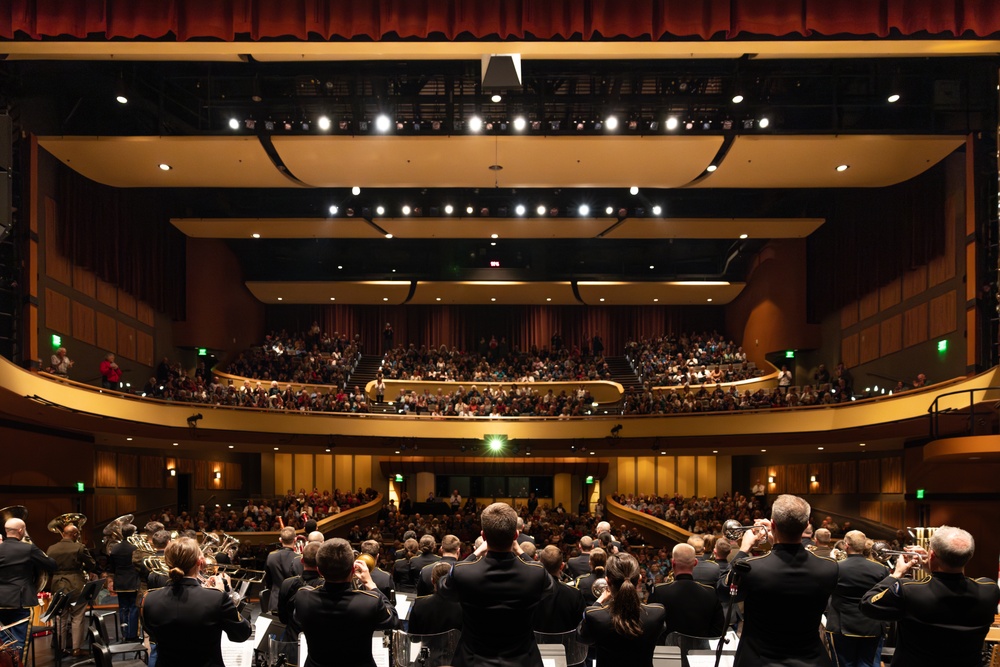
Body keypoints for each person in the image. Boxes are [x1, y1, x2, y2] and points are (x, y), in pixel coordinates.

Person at [717, 493, 838, 667]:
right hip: (810, 660)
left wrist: (744, 549)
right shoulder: (829, 568)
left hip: (759, 661)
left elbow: (723, 592)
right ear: (805, 526)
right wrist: (779, 537)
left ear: (772, 525)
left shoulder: (751, 568)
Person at [861, 525, 1000, 666]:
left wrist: (896, 575)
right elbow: (950, 584)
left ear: (931, 555)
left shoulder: (908, 590)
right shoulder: (989, 589)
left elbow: (867, 604)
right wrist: (934, 566)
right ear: (969, 555)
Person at [439, 502, 553, 667]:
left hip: (473, 661)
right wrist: (520, 551)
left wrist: (474, 554)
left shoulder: (463, 572)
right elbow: (551, 586)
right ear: (516, 535)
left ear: (483, 536)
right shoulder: (536, 573)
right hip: (523, 661)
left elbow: (443, 589)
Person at [140, 537, 252, 667]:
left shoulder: (149, 598)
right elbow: (241, 634)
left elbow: (152, 634)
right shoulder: (216, 598)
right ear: (200, 561)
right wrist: (229, 594)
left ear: (166, 562)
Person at [295, 538, 398, 667]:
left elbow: (298, 618)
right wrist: (371, 585)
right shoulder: (371, 601)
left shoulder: (302, 596)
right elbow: (393, 619)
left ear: (320, 571)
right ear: (353, 570)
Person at [577, 552, 666, 667]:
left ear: (607, 581)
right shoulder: (657, 613)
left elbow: (581, 637)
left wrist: (599, 601)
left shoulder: (595, 616)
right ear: (639, 579)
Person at [824, 530, 890, 667]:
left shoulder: (836, 567)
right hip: (872, 626)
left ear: (846, 545)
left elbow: (825, 591)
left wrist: (831, 561)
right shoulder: (881, 569)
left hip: (841, 626)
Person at [0, 517, 57, 657]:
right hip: (21, 600)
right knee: (20, 641)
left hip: (1, 600)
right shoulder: (27, 548)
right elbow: (51, 565)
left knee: (4, 640)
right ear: (21, 530)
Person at [648, 544, 724, 644]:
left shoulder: (659, 591)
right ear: (695, 563)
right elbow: (717, 630)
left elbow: (651, 627)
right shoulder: (710, 592)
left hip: (667, 653)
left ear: (672, 562)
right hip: (699, 653)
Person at [46, 522, 97, 657]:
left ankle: (60, 649)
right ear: (74, 534)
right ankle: (76, 649)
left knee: (60, 618)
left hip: (57, 584)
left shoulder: (51, 548)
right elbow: (92, 564)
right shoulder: (79, 547)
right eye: (78, 534)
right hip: (76, 584)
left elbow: (49, 567)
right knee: (77, 617)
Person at [533, 545, 586, 634]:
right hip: (566, 645)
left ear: (540, 563)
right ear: (562, 566)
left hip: (534, 646)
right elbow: (582, 627)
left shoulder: (529, 591)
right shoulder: (575, 594)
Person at [277, 542, 323, 641]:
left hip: (291, 642)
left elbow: (283, 618)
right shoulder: (325, 585)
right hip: (317, 643)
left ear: (301, 560)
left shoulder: (287, 583)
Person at [408, 561, 463, 635]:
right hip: (453, 646)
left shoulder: (419, 605)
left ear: (432, 580)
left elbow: (412, 636)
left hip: (425, 646)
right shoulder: (462, 606)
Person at [110, 523, 140, 640]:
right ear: (133, 534)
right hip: (132, 580)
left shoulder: (115, 548)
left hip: (120, 581)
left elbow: (112, 568)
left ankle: (124, 633)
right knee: (133, 607)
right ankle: (132, 634)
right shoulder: (135, 548)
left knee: (123, 607)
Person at [264, 526, 303, 612]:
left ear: (280, 540)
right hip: (294, 602)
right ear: (295, 539)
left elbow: (268, 580)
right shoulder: (299, 558)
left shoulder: (271, 556)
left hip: (275, 601)